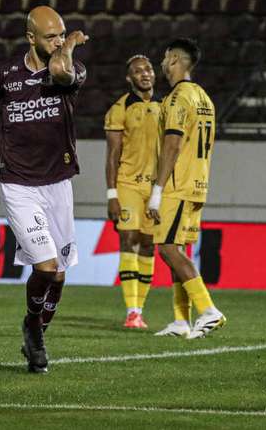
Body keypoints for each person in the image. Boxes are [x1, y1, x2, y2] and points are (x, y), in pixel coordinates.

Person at [0, 6, 88, 373]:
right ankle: (34, 327)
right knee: (48, 267)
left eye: (61, 33)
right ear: (30, 37)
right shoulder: (3, 74)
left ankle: (35, 329)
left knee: (62, 275)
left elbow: (59, 72)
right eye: (50, 36)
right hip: (19, 184)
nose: (57, 41)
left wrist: (66, 47)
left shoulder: (72, 68)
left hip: (58, 182)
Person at [147, 38, 226, 339]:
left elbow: (173, 143)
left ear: (177, 59)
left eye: (166, 58)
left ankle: (209, 311)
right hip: (198, 182)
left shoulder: (178, 97)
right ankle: (181, 320)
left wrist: (157, 189)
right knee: (176, 249)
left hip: (177, 185)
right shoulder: (203, 97)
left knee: (167, 248)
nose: (163, 63)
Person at [104, 55, 161, 329]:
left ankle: (141, 309)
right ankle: (132, 311)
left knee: (149, 244)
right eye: (138, 71)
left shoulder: (168, 106)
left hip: (157, 187)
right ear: (130, 78)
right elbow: (112, 155)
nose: (145, 74)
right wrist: (111, 194)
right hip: (128, 183)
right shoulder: (119, 108)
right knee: (128, 238)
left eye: (148, 69)